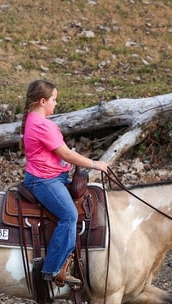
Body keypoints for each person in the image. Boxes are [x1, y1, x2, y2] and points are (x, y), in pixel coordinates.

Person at [20, 79, 109, 286]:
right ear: (43, 101)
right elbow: (66, 154)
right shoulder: (42, 125)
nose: (56, 103)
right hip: (44, 180)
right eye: (54, 99)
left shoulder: (34, 120)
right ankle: (53, 268)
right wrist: (94, 164)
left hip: (52, 175)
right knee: (69, 215)